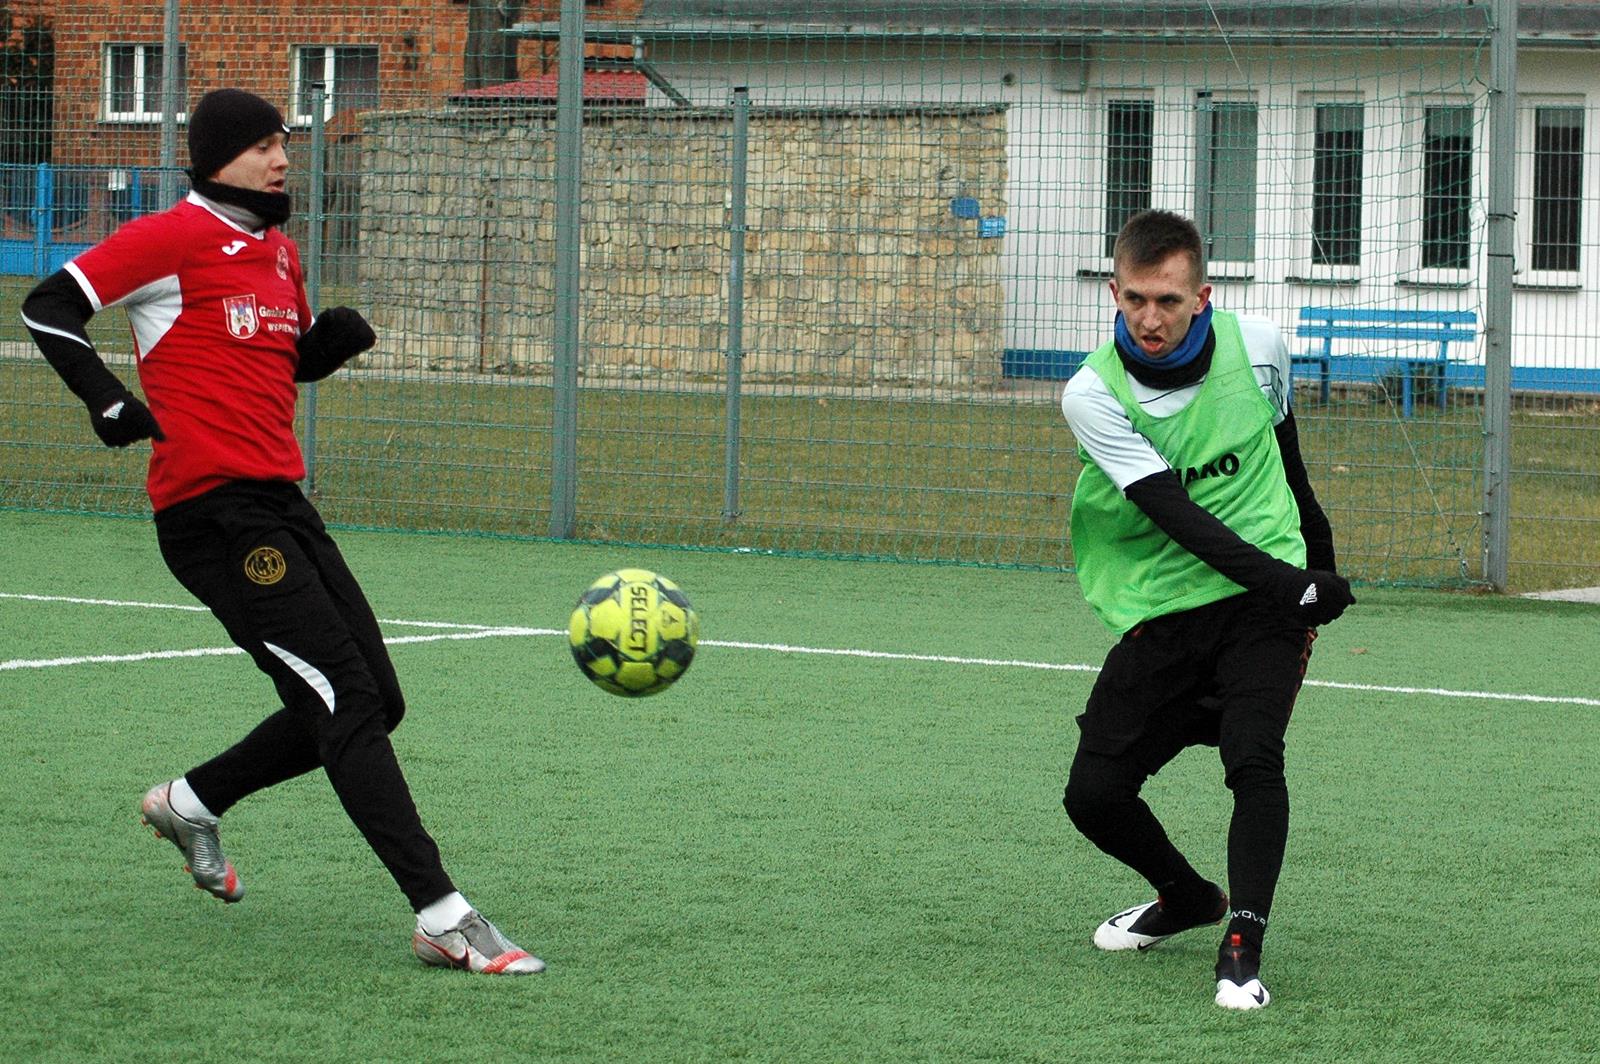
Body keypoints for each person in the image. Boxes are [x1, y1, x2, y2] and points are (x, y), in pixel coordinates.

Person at [20, 88, 543, 976]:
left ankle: (193, 801)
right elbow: (45, 306)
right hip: (209, 514)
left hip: (283, 505)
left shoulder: (282, 254)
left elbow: (276, 361)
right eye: (264, 144)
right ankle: (442, 913)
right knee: (342, 698)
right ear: (216, 156)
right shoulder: (166, 238)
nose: (282, 157)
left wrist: (325, 348)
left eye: (285, 142)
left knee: (377, 698)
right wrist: (106, 399)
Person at [1058, 210, 1354, 1010]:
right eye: (1135, 300)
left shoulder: (1260, 348)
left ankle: (1242, 949)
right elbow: (1174, 516)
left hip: (1263, 610)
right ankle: (1188, 898)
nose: (1150, 319)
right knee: (1092, 793)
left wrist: (1316, 573)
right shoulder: (1091, 394)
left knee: (1253, 761)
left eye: (1168, 300)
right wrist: (1288, 583)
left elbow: (1291, 467)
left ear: (1203, 296)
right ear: (1115, 292)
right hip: (1169, 601)